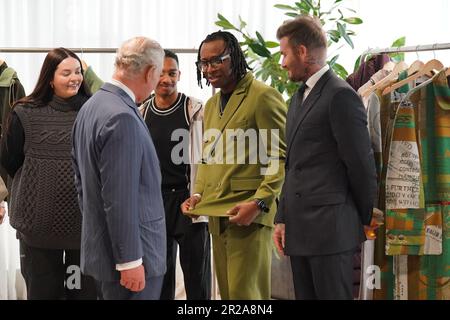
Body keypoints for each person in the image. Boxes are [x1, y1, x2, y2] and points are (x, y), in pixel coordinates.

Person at [273, 15, 377, 300]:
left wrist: (366, 217)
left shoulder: (341, 96)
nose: (281, 63)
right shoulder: (297, 97)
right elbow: (292, 165)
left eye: (284, 54)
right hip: (300, 231)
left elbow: (360, 164)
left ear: (303, 52)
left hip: (331, 233)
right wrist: (282, 218)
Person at [181, 31, 287, 300]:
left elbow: (281, 158)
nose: (209, 69)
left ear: (235, 57)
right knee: (228, 296)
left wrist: (261, 203)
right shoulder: (212, 104)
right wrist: (198, 194)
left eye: (216, 60)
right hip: (218, 216)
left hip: (249, 215)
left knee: (248, 297)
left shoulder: (263, 96)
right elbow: (208, 157)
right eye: (203, 63)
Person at [72, 36, 166, 300]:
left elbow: (81, 184)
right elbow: (119, 198)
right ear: (149, 72)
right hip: (133, 260)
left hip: (105, 251)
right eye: (158, 74)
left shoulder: (91, 107)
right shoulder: (121, 116)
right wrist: (129, 260)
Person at [0, 48, 97, 300]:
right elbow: (9, 161)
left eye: (78, 72)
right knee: (43, 293)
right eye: (66, 73)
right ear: (50, 78)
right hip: (37, 229)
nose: (74, 78)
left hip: (83, 229)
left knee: (83, 294)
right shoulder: (24, 112)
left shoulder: (93, 111)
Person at [140, 49, 211, 300]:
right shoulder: (141, 113)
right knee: (160, 277)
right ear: (151, 75)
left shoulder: (195, 109)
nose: (166, 79)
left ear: (179, 75)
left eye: (172, 73)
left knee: (197, 278)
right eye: (160, 73)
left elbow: (208, 157)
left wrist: (200, 195)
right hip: (155, 203)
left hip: (188, 200)